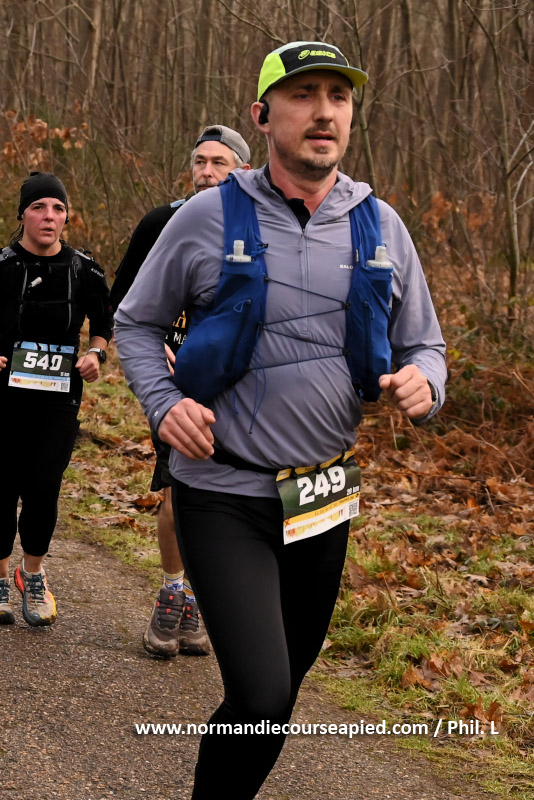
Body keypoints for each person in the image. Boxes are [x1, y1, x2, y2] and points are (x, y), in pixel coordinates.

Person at [114, 40, 447, 800]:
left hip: (323, 497)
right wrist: (164, 405)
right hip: (223, 490)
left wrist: (425, 384)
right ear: (263, 118)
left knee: (277, 701)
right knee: (262, 694)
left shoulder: (381, 226)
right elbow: (135, 322)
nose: (323, 112)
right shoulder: (207, 216)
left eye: (338, 96)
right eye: (303, 95)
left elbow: (425, 345)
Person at [111, 125, 251, 658]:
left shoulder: (264, 224)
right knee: (177, 490)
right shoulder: (162, 222)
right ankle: (173, 594)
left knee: (229, 500)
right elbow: (124, 303)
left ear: (242, 170)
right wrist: (158, 349)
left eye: (219, 162)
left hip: (243, 390)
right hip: (177, 387)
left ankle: (199, 597)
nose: (207, 172)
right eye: (200, 161)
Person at [0, 172, 112, 627]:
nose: (49, 216)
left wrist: (95, 353)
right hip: (4, 395)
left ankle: (33, 574)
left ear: (67, 216)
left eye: (58, 208)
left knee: (44, 485)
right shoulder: (3, 266)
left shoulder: (85, 269)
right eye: (39, 207)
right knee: (3, 484)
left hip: (58, 396)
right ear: (23, 214)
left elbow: (104, 324)